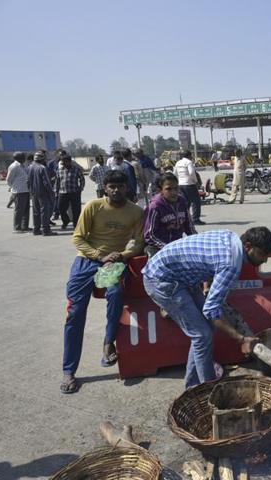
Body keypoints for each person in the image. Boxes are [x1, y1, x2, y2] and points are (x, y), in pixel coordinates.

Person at [142, 227, 271, 389]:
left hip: (180, 276)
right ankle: (208, 390)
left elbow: (208, 260)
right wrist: (241, 338)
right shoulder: (232, 263)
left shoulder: (232, 238)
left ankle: (193, 386)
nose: (265, 261)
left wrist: (206, 285)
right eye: (262, 255)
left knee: (206, 331)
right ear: (248, 246)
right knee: (201, 335)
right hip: (162, 280)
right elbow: (211, 310)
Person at [61, 170, 145, 394]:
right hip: (87, 261)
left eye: (120, 186)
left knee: (116, 293)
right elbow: (78, 238)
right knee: (75, 314)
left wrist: (122, 256)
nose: (116, 190)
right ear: (105, 188)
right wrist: (99, 256)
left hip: (114, 263)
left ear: (127, 188)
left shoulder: (136, 212)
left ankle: (108, 343)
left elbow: (138, 242)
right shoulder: (93, 206)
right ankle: (69, 370)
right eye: (111, 186)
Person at [144, 172, 197, 258]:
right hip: (157, 247)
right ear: (160, 190)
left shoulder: (182, 202)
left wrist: (197, 241)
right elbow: (150, 235)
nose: (174, 192)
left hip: (177, 244)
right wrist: (167, 248)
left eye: (176, 188)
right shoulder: (155, 206)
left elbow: (189, 227)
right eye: (168, 189)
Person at [27, 151, 56, 236]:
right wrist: (51, 192)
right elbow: (46, 182)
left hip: (33, 192)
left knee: (36, 212)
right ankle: (46, 230)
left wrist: (30, 192)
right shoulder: (42, 168)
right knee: (44, 212)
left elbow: (28, 181)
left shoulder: (29, 167)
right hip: (43, 193)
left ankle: (36, 229)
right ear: (42, 159)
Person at [56, 154, 85, 230]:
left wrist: (81, 188)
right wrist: (56, 191)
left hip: (74, 192)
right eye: (62, 162)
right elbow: (58, 181)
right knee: (60, 208)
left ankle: (76, 224)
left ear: (69, 162)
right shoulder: (60, 170)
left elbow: (82, 179)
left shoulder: (76, 169)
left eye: (65, 162)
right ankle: (66, 220)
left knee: (76, 210)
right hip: (62, 192)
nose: (63, 164)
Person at [175, 150, 204, 223]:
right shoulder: (189, 162)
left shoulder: (178, 162)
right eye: (191, 155)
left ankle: (185, 218)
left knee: (186, 202)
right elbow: (191, 173)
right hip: (189, 184)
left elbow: (175, 174)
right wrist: (196, 182)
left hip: (181, 185)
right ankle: (195, 219)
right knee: (196, 201)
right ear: (189, 155)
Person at [6, 151, 31, 233]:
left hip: (26, 190)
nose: (25, 158)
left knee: (26, 210)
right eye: (23, 157)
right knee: (19, 210)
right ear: (18, 158)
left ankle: (25, 226)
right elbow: (9, 180)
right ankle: (17, 228)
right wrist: (14, 187)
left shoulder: (22, 166)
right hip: (19, 192)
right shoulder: (14, 166)